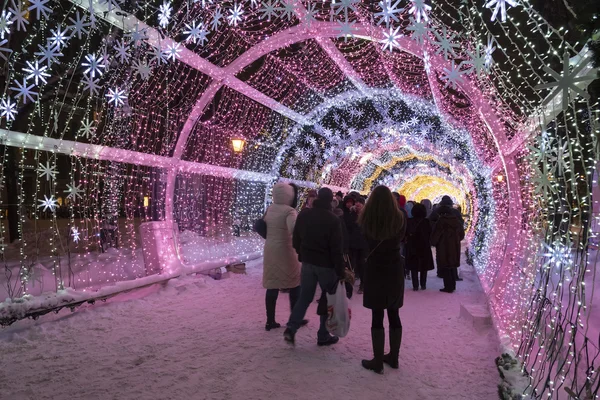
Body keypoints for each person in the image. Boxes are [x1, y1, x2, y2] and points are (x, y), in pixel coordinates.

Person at [284, 188, 345, 346]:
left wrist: (300, 252)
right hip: (326, 265)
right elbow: (336, 248)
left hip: (308, 262)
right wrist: (340, 269)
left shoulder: (305, 214)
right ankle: (323, 335)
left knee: (304, 297)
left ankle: (291, 327)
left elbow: (296, 236)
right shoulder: (333, 219)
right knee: (327, 299)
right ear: (330, 200)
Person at [358, 185, 406, 374]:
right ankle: (394, 357)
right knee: (394, 313)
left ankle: (377, 360)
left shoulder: (366, 219)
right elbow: (401, 239)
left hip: (375, 268)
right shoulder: (400, 218)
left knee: (377, 314)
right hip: (394, 268)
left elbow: (364, 242)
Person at [262, 183, 302, 331]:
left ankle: (270, 321)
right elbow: (294, 230)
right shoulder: (289, 211)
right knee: (294, 283)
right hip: (285, 250)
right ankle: (295, 318)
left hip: (270, 249)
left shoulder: (270, 208)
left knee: (272, 284)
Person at [430, 196, 465, 293]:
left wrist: (433, 242)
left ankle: (447, 286)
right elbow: (461, 234)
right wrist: (456, 239)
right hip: (454, 245)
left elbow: (435, 233)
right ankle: (452, 285)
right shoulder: (456, 220)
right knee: (452, 263)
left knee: (444, 264)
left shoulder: (440, 221)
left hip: (442, 245)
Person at [405, 203, 434, 291]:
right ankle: (423, 284)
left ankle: (415, 285)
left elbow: (405, 233)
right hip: (424, 246)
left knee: (413, 266)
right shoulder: (427, 222)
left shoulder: (409, 221)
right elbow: (430, 233)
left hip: (412, 245)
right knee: (423, 266)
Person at [344, 196, 367, 294]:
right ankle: (348, 284)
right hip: (352, 243)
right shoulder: (351, 214)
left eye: (360, 204)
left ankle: (363, 284)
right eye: (356, 204)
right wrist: (351, 213)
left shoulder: (366, 215)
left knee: (361, 265)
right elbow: (347, 226)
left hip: (363, 244)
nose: (358, 206)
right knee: (350, 265)